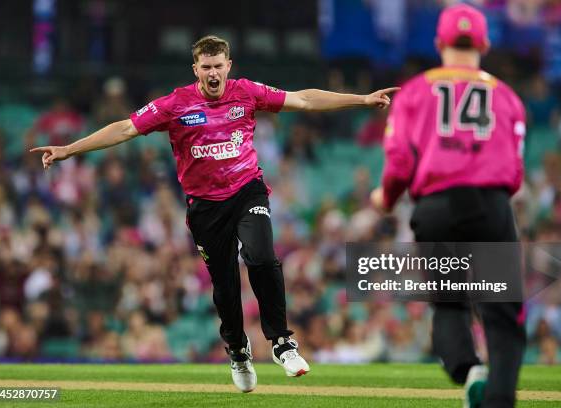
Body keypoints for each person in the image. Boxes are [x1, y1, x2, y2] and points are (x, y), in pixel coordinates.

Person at [30, 35, 397, 393]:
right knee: (224, 286)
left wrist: (361, 99)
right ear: (196, 69)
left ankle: (282, 342)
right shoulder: (175, 104)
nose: (213, 73)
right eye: (206, 67)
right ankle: (238, 352)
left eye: (218, 66)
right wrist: (69, 149)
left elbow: (302, 99)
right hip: (205, 206)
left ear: (228, 66)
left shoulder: (247, 91)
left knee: (262, 256)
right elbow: (126, 127)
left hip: (246, 190)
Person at [371, 4, 526, 408]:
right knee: (503, 316)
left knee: (449, 306)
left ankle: (468, 371)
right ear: (485, 44)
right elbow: (516, 171)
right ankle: (499, 399)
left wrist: (385, 198)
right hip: (491, 204)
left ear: (439, 43)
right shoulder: (507, 96)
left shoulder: (415, 91)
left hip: (436, 206)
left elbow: (400, 162)